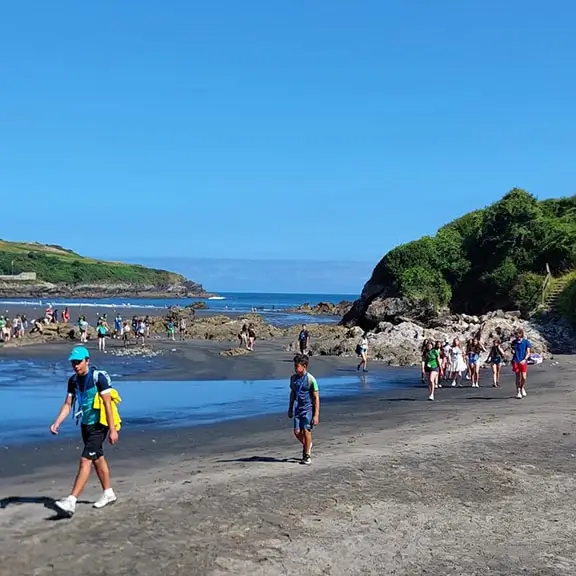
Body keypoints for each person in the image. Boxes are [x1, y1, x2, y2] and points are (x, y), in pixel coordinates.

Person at [49, 346, 119, 517]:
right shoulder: (73, 381)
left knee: (85, 460)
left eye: (78, 362)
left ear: (87, 360)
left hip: (99, 425)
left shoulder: (99, 377)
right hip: (85, 425)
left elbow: (108, 404)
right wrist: (57, 422)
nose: (75, 366)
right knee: (97, 458)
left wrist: (112, 430)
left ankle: (71, 501)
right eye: (73, 363)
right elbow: (68, 404)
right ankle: (108, 493)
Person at [288, 354, 320, 465]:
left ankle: (307, 455)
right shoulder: (293, 379)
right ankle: (308, 444)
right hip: (297, 409)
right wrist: (290, 408)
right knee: (297, 432)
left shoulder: (311, 379)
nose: (295, 368)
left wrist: (316, 415)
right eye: (295, 366)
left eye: (297, 366)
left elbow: (316, 397)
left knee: (306, 430)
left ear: (304, 366)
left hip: (308, 409)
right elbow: (292, 393)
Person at [511, 328, 532, 399]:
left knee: (524, 377)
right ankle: (518, 391)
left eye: (517, 334)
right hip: (516, 360)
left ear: (521, 334)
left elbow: (528, 353)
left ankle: (522, 387)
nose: (516, 336)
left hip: (523, 361)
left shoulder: (526, 342)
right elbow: (513, 350)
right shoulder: (514, 342)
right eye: (515, 334)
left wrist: (525, 359)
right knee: (517, 377)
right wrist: (512, 352)